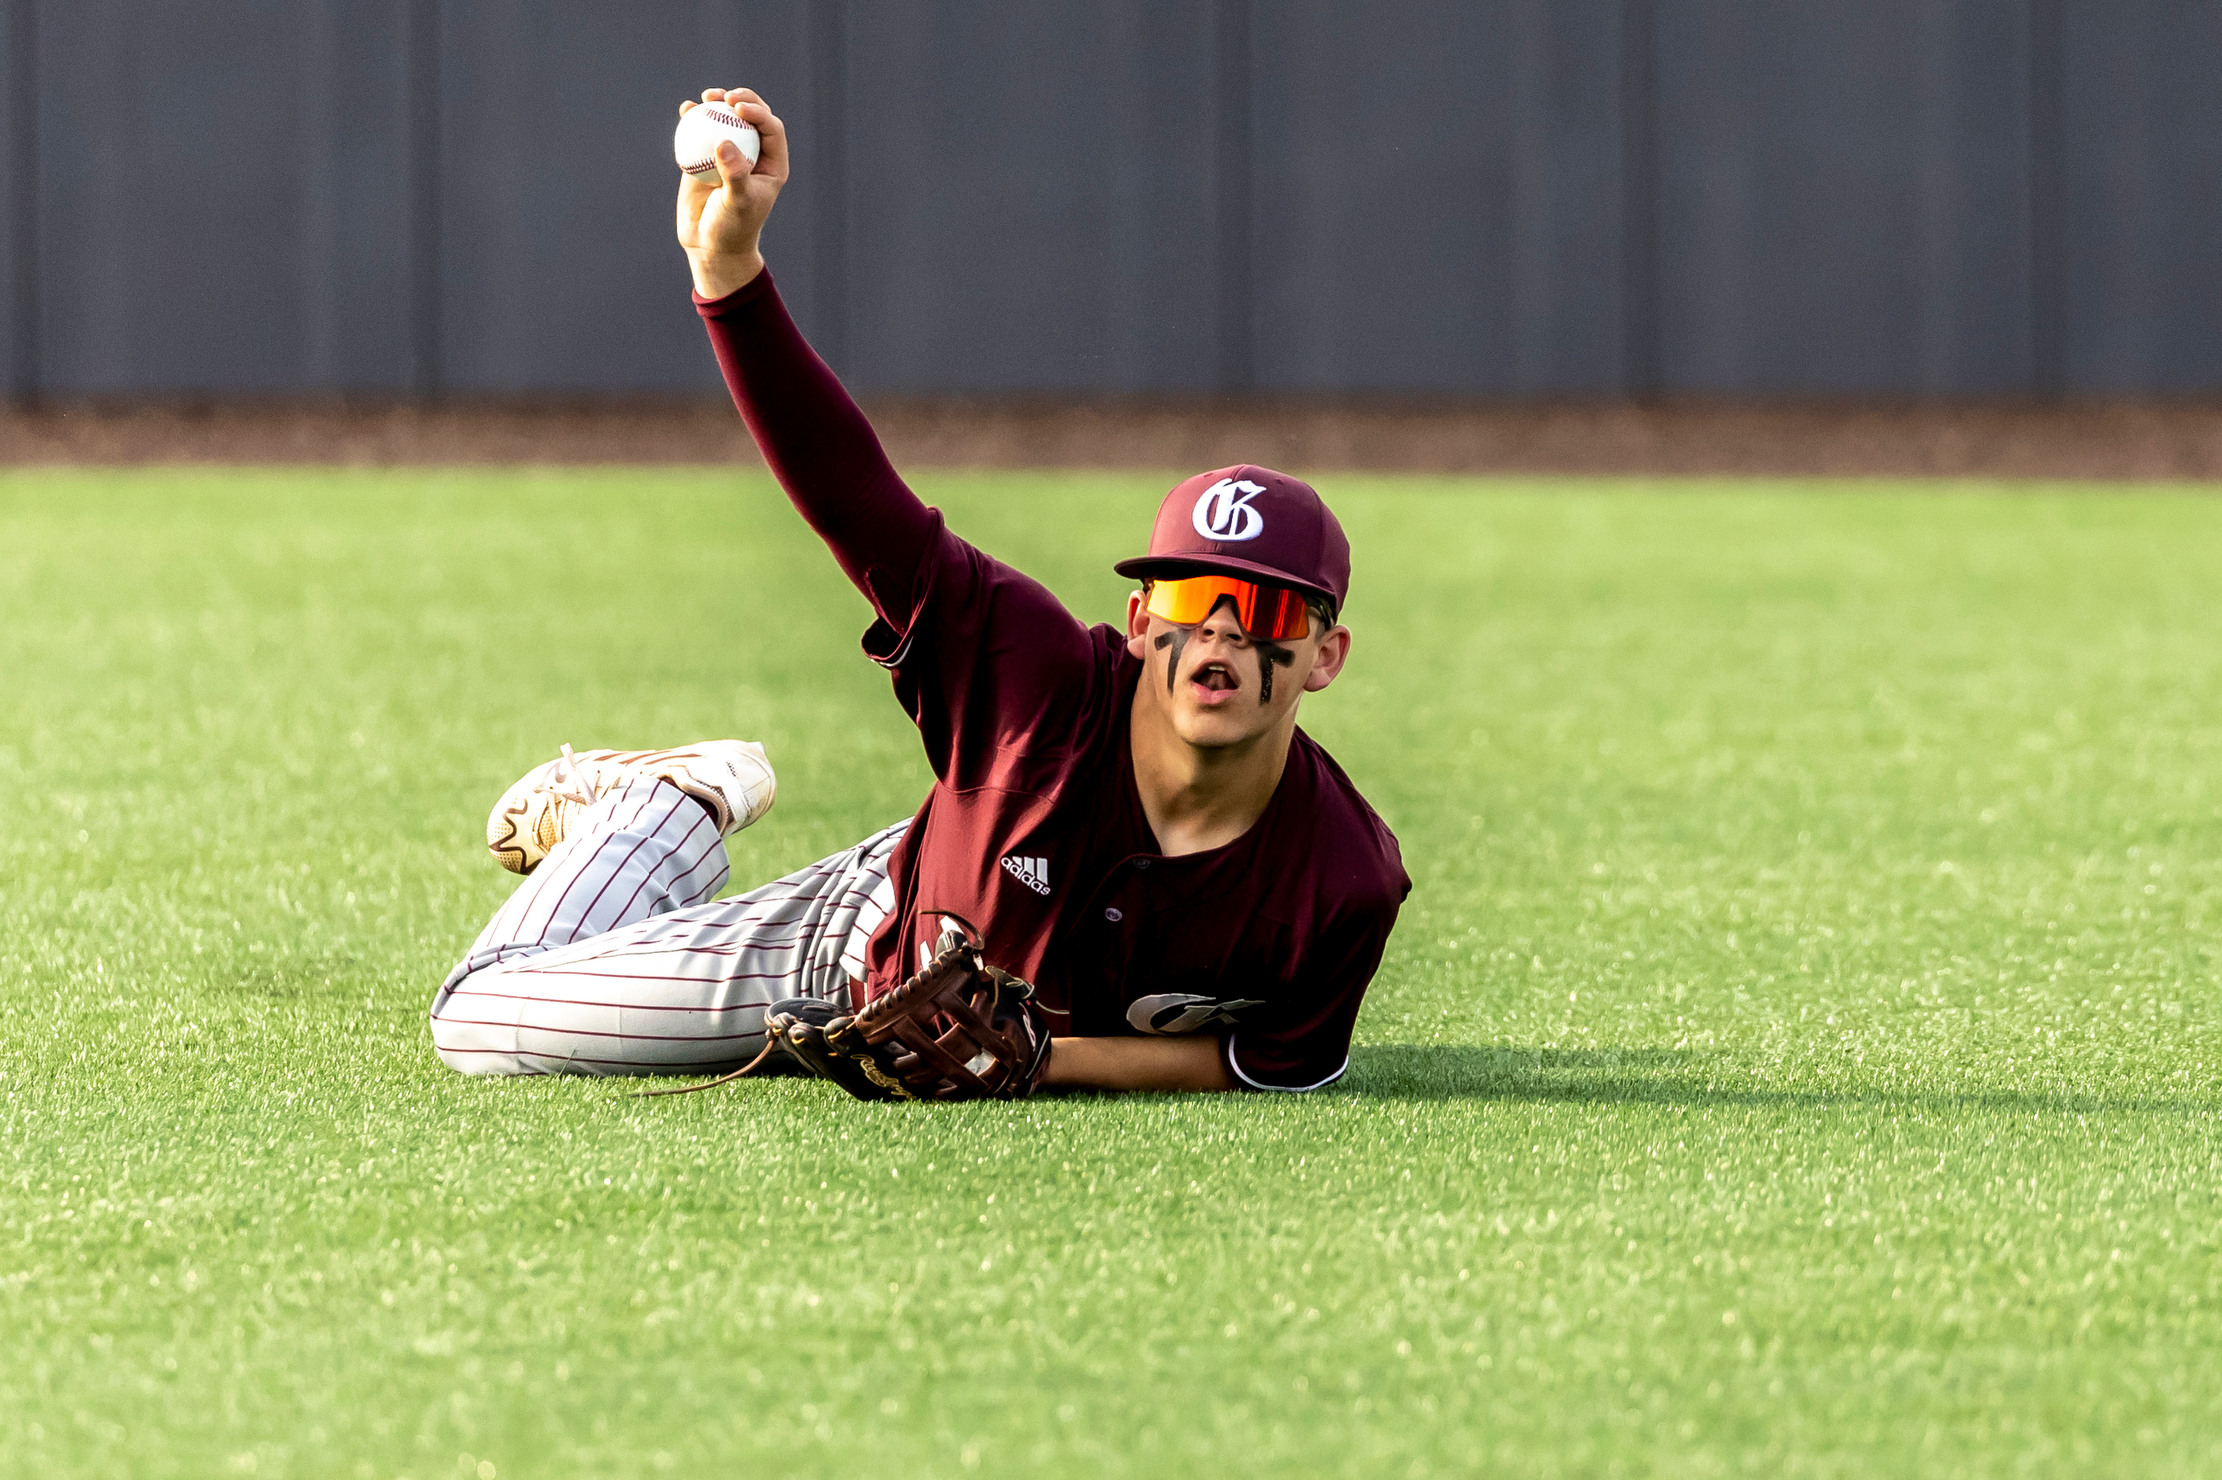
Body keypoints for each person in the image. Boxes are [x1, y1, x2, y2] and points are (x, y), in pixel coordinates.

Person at [427, 87, 1408, 1094]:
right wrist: (727, 275)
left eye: (1270, 609)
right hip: (848, 944)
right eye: (1195, 593)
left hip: (962, 923)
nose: (1224, 633)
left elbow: (1265, 1061)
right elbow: (859, 502)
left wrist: (1041, 1063)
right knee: (478, 1017)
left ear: (1324, 655)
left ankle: (648, 833)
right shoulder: (1037, 685)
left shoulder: (1341, 878)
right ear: (1140, 617)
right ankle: (663, 804)